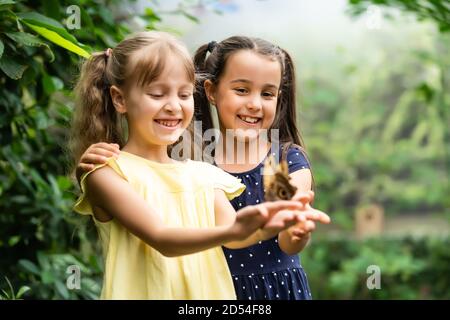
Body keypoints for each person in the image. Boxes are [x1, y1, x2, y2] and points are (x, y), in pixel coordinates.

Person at [70, 31, 307, 299]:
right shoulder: (108, 172)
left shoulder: (204, 173)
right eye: (157, 94)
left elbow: (234, 238)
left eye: (183, 95)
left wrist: (272, 223)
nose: (173, 106)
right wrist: (236, 228)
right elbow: (163, 238)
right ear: (120, 99)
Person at [192, 36, 330, 300]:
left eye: (267, 93)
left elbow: (288, 242)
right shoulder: (197, 165)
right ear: (211, 91)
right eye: (242, 90)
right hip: (216, 292)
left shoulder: (285, 161)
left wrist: (297, 231)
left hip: (279, 291)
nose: (255, 103)